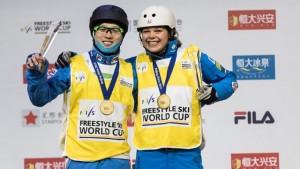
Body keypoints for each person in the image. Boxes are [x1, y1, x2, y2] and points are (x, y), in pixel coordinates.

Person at [55, 5, 238, 169]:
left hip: (186, 153)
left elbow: (230, 79)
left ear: (171, 32)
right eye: (145, 31)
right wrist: (73, 58)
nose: (151, 36)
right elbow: (102, 71)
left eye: (158, 30)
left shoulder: (193, 57)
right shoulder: (132, 66)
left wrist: (215, 92)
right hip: (149, 155)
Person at [26, 4, 134, 169]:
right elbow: (40, 98)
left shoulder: (131, 70)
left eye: (115, 30)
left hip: (117, 160)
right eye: (102, 29)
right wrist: (36, 72)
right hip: (79, 160)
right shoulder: (72, 65)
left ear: (123, 35)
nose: (108, 35)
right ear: (93, 32)